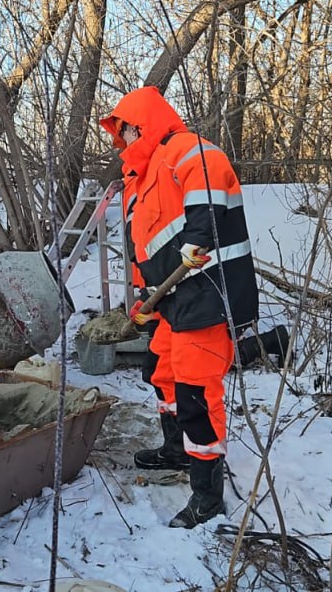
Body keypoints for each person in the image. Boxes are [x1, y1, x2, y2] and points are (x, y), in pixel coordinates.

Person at [100, 86, 259, 529]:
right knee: (161, 372)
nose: (122, 143)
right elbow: (144, 250)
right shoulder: (143, 179)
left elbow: (206, 200)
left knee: (197, 391)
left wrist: (198, 239)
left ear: (141, 125)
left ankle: (207, 496)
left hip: (209, 293)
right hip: (172, 300)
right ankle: (177, 450)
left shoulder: (188, 151)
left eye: (125, 132)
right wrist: (143, 302)